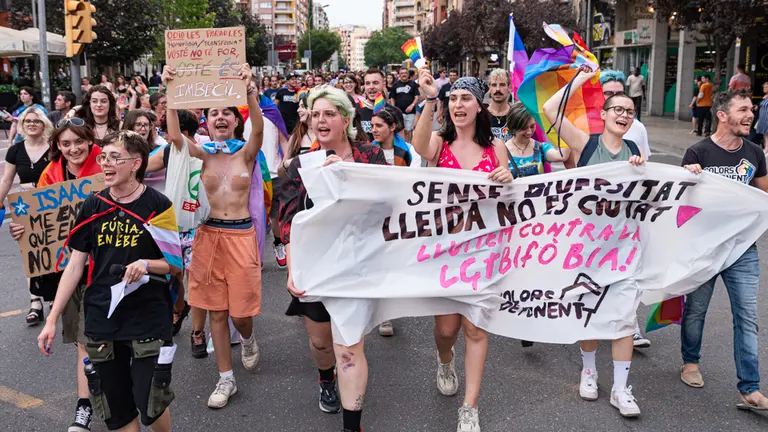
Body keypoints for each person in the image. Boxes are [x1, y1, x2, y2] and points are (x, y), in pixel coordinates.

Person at [37, 130, 178, 432]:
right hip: (103, 316)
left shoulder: (158, 205)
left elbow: (174, 265)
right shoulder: (92, 205)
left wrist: (145, 264)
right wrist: (52, 318)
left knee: (151, 400)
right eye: (104, 157)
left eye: (115, 157)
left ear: (136, 163)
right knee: (117, 408)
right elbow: (75, 266)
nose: (106, 163)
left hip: (148, 315)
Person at [280, 86, 389, 430]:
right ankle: (325, 378)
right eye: (315, 115)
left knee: (349, 347)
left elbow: (389, 204)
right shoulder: (300, 164)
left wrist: (349, 175)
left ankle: (351, 425)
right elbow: (288, 220)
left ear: (345, 120)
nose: (321, 120)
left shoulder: (370, 156)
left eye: (329, 114)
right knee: (320, 342)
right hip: (315, 267)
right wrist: (292, 269)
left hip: (358, 266)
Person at [413, 70, 513, 432]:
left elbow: (510, 198)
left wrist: (508, 178)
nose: (458, 104)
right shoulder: (439, 143)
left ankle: (469, 406)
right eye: (453, 99)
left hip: (483, 253)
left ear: (479, 105)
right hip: (445, 252)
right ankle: (444, 360)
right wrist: (429, 99)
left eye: (465, 98)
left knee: (476, 329)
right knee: (447, 331)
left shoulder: (495, 148)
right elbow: (418, 145)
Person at [543, 66, 645, 418]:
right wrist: (583, 79)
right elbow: (549, 111)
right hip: (587, 249)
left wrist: (646, 168)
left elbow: (658, 187)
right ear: (603, 115)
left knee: (624, 317)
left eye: (629, 112)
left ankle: (620, 388)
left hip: (624, 249)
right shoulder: (585, 144)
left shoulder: (635, 149)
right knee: (589, 313)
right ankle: (589, 369)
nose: (623, 115)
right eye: (617, 109)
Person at [163, 63, 264, 409]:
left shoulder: (246, 153)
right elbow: (175, 139)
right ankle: (226, 378)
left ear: (235, 120)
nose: (220, 118)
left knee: (240, 314)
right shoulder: (202, 153)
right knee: (216, 313)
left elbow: (259, 132)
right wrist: (171, 94)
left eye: (226, 113)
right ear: (206, 121)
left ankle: (248, 339)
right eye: (213, 113)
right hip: (208, 236)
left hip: (240, 237)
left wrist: (249, 90)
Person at [10, 118, 101, 432]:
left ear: (89, 140)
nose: (73, 149)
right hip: (73, 269)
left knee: (118, 340)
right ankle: (84, 406)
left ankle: (119, 394)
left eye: (79, 141)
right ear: (58, 146)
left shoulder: (106, 161)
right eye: (66, 144)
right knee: (83, 343)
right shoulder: (51, 173)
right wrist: (23, 230)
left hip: (113, 266)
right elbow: (40, 221)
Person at [680, 89, 768, 411]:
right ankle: (690, 363)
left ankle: (750, 388)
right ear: (722, 115)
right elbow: (681, 206)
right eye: (744, 109)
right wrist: (687, 181)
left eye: (752, 109)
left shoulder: (755, 153)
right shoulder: (697, 151)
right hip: (704, 247)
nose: (751, 114)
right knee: (697, 309)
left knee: (747, 316)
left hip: (743, 248)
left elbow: (764, 197)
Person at [147, 108, 207, 353]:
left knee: (196, 281)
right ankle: (179, 310)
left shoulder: (207, 151)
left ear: (181, 133)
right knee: (175, 274)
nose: (165, 136)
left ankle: (198, 333)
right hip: (174, 224)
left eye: (168, 132)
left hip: (201, 225)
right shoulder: (168, 152)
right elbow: (138, 168)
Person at [0, 108, 54, 325]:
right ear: (22, 124)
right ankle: (35, 302)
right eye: (28, 121)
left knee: (51, 249)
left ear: (44, 124)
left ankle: (53, 297)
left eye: (36, 121)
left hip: (49, 204)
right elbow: (6, 179)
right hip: (24, 206)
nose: (32, 124)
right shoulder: (15, 150)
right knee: (29, 252)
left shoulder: (53, 149)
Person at [389, 68, 419, 142]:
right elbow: (392, 98)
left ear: (408, 74)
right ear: (399, 75)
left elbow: (417, 97)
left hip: (410, 112)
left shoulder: (413, 84)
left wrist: (412, 105)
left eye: (405, 73)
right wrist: (394, 108)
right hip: (399, 112)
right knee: (400, 130)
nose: (404, 74)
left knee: (408, 130)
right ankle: (402, 145)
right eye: (402, 73)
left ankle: (408, 145)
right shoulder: (395, 84)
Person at [487, 69, 514, 143]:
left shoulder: (516, 115)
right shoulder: (481, 115)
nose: (498, 89)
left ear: (509, 88)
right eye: (494, 85)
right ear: (489, 88)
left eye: (502, 85)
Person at [755, 81, 768, 149]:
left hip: (766, 117)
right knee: (765, 135)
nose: (764, 88)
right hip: (762, 118)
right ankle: (766, 148)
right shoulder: (764, 97)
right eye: (764, 87)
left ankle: (766, 149)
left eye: (766, 87)